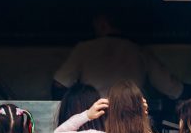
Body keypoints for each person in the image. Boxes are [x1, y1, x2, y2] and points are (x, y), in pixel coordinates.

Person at [54, 13, 183, 99]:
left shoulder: (85, 48)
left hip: (94, 117)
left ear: (103, 24)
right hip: (130, 120)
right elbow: (173, 88)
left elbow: (60, 84)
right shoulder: (139, 51)